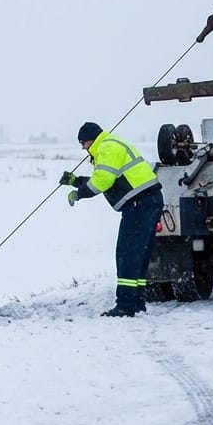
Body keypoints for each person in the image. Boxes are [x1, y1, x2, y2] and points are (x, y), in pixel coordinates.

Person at [60, 122, 164, 317]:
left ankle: (125, 305)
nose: (83, 148)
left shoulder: (107, 148)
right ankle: (137, 302)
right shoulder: (110, 144)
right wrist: (75, 181)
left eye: (83, 143)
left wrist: (78, 194)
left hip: (140, 204)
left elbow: (102, 182)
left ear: (91, 139)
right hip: (148, 201)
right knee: (139, 254)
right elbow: (109, 180)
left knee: (127, 254)